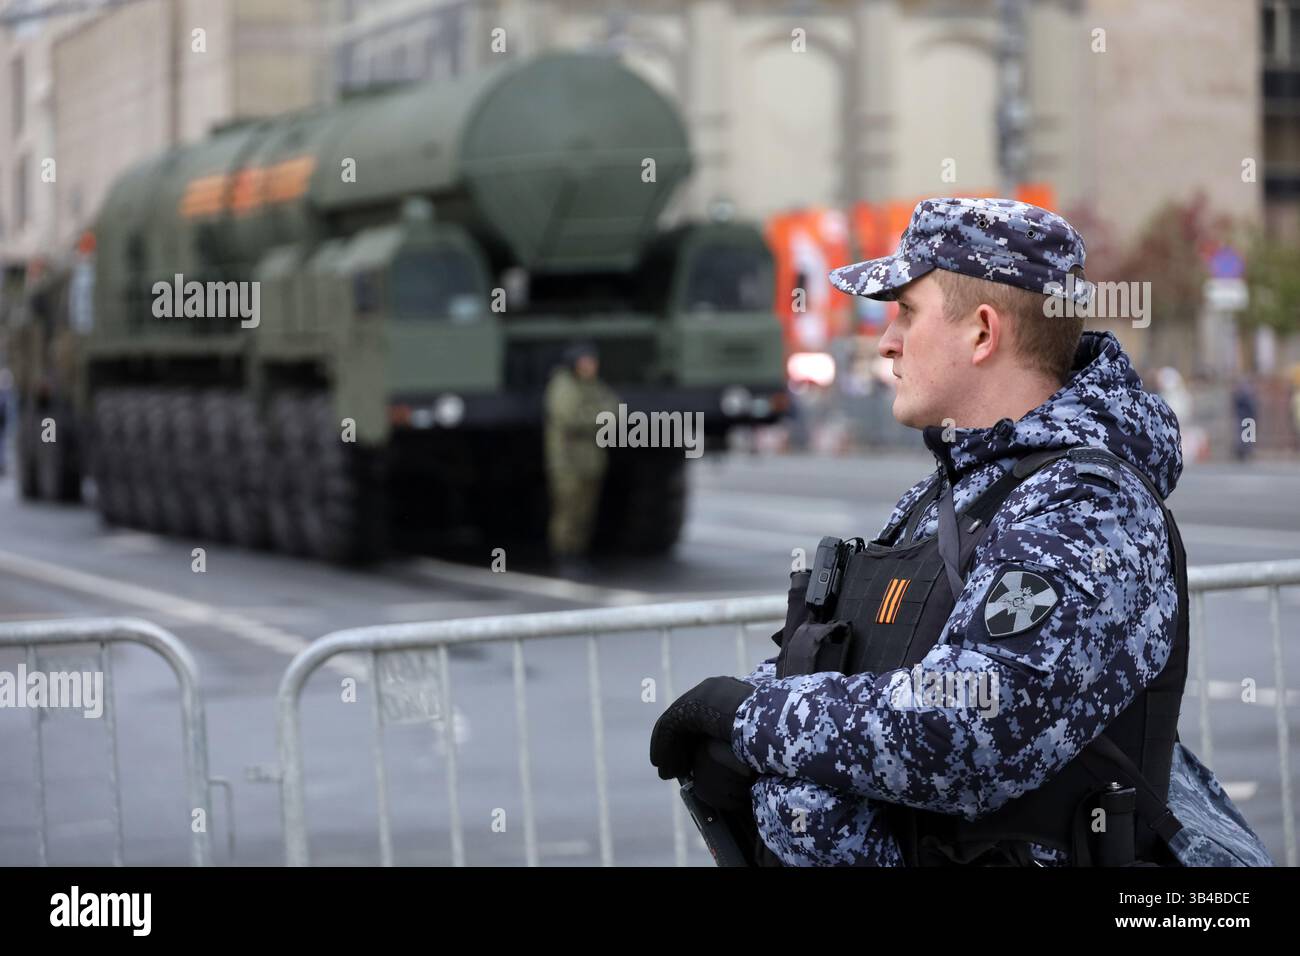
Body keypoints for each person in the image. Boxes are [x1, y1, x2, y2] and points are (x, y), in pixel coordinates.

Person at [649, 197, 1272, 867]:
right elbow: (853, 658)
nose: (886, 341)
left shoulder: (1089, 507)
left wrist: (743, 719)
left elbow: (971, 729)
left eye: (907, 313)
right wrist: (746, 715)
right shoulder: (952, 490)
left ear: (982, 333)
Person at [543, 343, 618, 578]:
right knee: (568, 511)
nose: (591, 367)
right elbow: (570, 418)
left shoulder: (594, 386)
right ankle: (564, 555)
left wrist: (594, 415)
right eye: (586, 362)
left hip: (591, 461)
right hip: (568, 463)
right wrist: (597, 417)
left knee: (586, 511)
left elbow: (615, 409)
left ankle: (578, 554)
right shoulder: (563, 385)